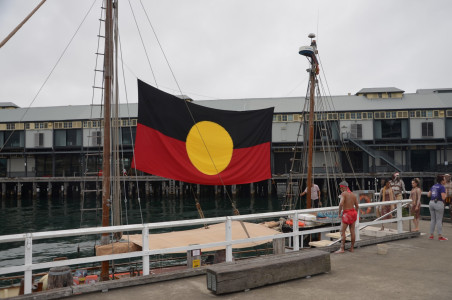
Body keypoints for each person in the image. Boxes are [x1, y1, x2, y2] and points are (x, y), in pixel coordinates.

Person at [335, 181, 359, 253]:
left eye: (341, 188)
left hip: (346, 214)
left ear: (343, 187)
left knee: (342, 231)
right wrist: (355, 213)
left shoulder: (343, 194)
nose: (340, 189)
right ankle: (352, 248)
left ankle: (342, 248)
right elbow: (357, 206)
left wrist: (339, 213)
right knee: (352, 231)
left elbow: (341, 204)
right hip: (353, 213)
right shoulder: (353, 195)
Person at [427, 175, 447, 241]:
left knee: (433, 220)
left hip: (431, 202)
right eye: (444, 179)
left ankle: (431, 235)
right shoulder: (442, 187)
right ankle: (440, 236)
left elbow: (428, 195)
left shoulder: (433, 186)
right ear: (442, 181)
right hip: (438, 203)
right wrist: (446, 194)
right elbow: (443, 197)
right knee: (439, 220)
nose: (445, 180)